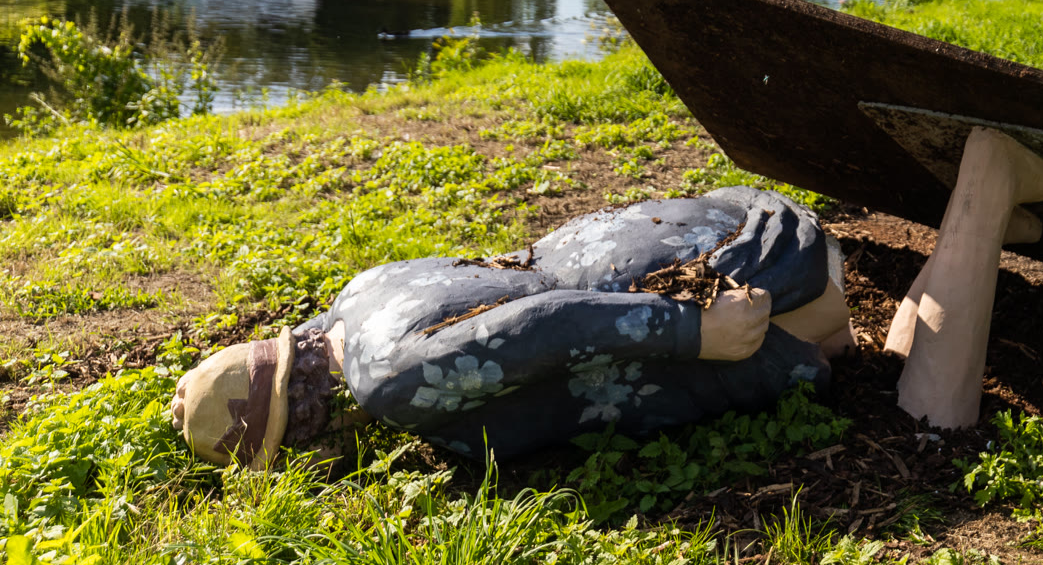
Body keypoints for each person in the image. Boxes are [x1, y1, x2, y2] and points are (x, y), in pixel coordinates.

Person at [170, 187, 854, 468]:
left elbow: (544, 325)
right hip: (670, 227)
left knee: (824, 331)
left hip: (729, 278)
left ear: (303, 422)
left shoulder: (387, 380)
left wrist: (697, 333)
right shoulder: (355, 297)